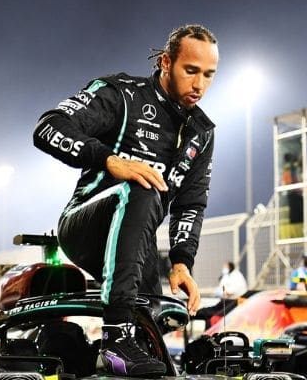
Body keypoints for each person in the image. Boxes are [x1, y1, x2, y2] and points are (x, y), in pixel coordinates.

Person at [32, 24, 219, 377]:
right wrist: (109, 160)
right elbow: (47, 127)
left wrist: (181, 263)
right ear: (166, 62)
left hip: (137, 247)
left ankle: (94, 354)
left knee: (153, 345)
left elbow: (191, 204)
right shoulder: (122, 95)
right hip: (84, 226)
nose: (199, 84)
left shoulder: (202, 132)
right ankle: (114, 335)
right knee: (144, 184)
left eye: (209, 74)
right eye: (191, 70)